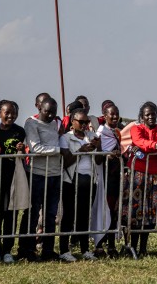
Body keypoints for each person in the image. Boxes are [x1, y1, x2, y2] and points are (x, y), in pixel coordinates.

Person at [19, 95, 64, 260]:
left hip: (55, 174)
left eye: (53, 112)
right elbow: (36, 148)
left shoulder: (55, 123)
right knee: (32, 213)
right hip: (37, 174)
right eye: (47, 112)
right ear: (39, 108)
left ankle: (48, 250)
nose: (51, 115)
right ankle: (27, 249)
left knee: (51, 215)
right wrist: (59, 150)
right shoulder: (32, 123)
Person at [123, 101, 157, 258]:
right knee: (134, 213)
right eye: (147, 114)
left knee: (149, 214)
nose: (151, 116)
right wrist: (156, 146)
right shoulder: (136, 129)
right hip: (137, 175)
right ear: (142, 116)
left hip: (154, 176)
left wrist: (156, 146)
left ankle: (143, 248)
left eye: (153, 113)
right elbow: (139, 141)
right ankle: (131, 246)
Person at [0, 100, 27, 263]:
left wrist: (22, 150)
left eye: (13, 112)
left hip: (13, 177)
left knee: (12, 213)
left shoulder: (20, 131)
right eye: (7, 112)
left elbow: (22, 153)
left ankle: (8, 249)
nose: (10, 116)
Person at [58, 106, 100, 261]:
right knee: (69, 215)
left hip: (90, 180)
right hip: (71, 179)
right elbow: (66, 161)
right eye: (81, 122)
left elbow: (99, 160)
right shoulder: (66, 138)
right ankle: (64, 250)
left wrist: (98, 147)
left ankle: (85, 249)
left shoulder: (92, 136)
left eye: (86, 122)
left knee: (84, 216)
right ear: (72, 121)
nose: (84, 125)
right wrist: (81, 150)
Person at [93, 102, 125, 255]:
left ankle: (111, 245)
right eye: (111, 114)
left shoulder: (118, 132)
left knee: (113, 211)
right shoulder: (100, 133)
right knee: (103, 210)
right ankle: (99, 244)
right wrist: (108, 155)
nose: (115, 116)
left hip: (116, 177)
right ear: (105, 116)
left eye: (116, 113)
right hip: (105, 177)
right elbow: (98, 157)